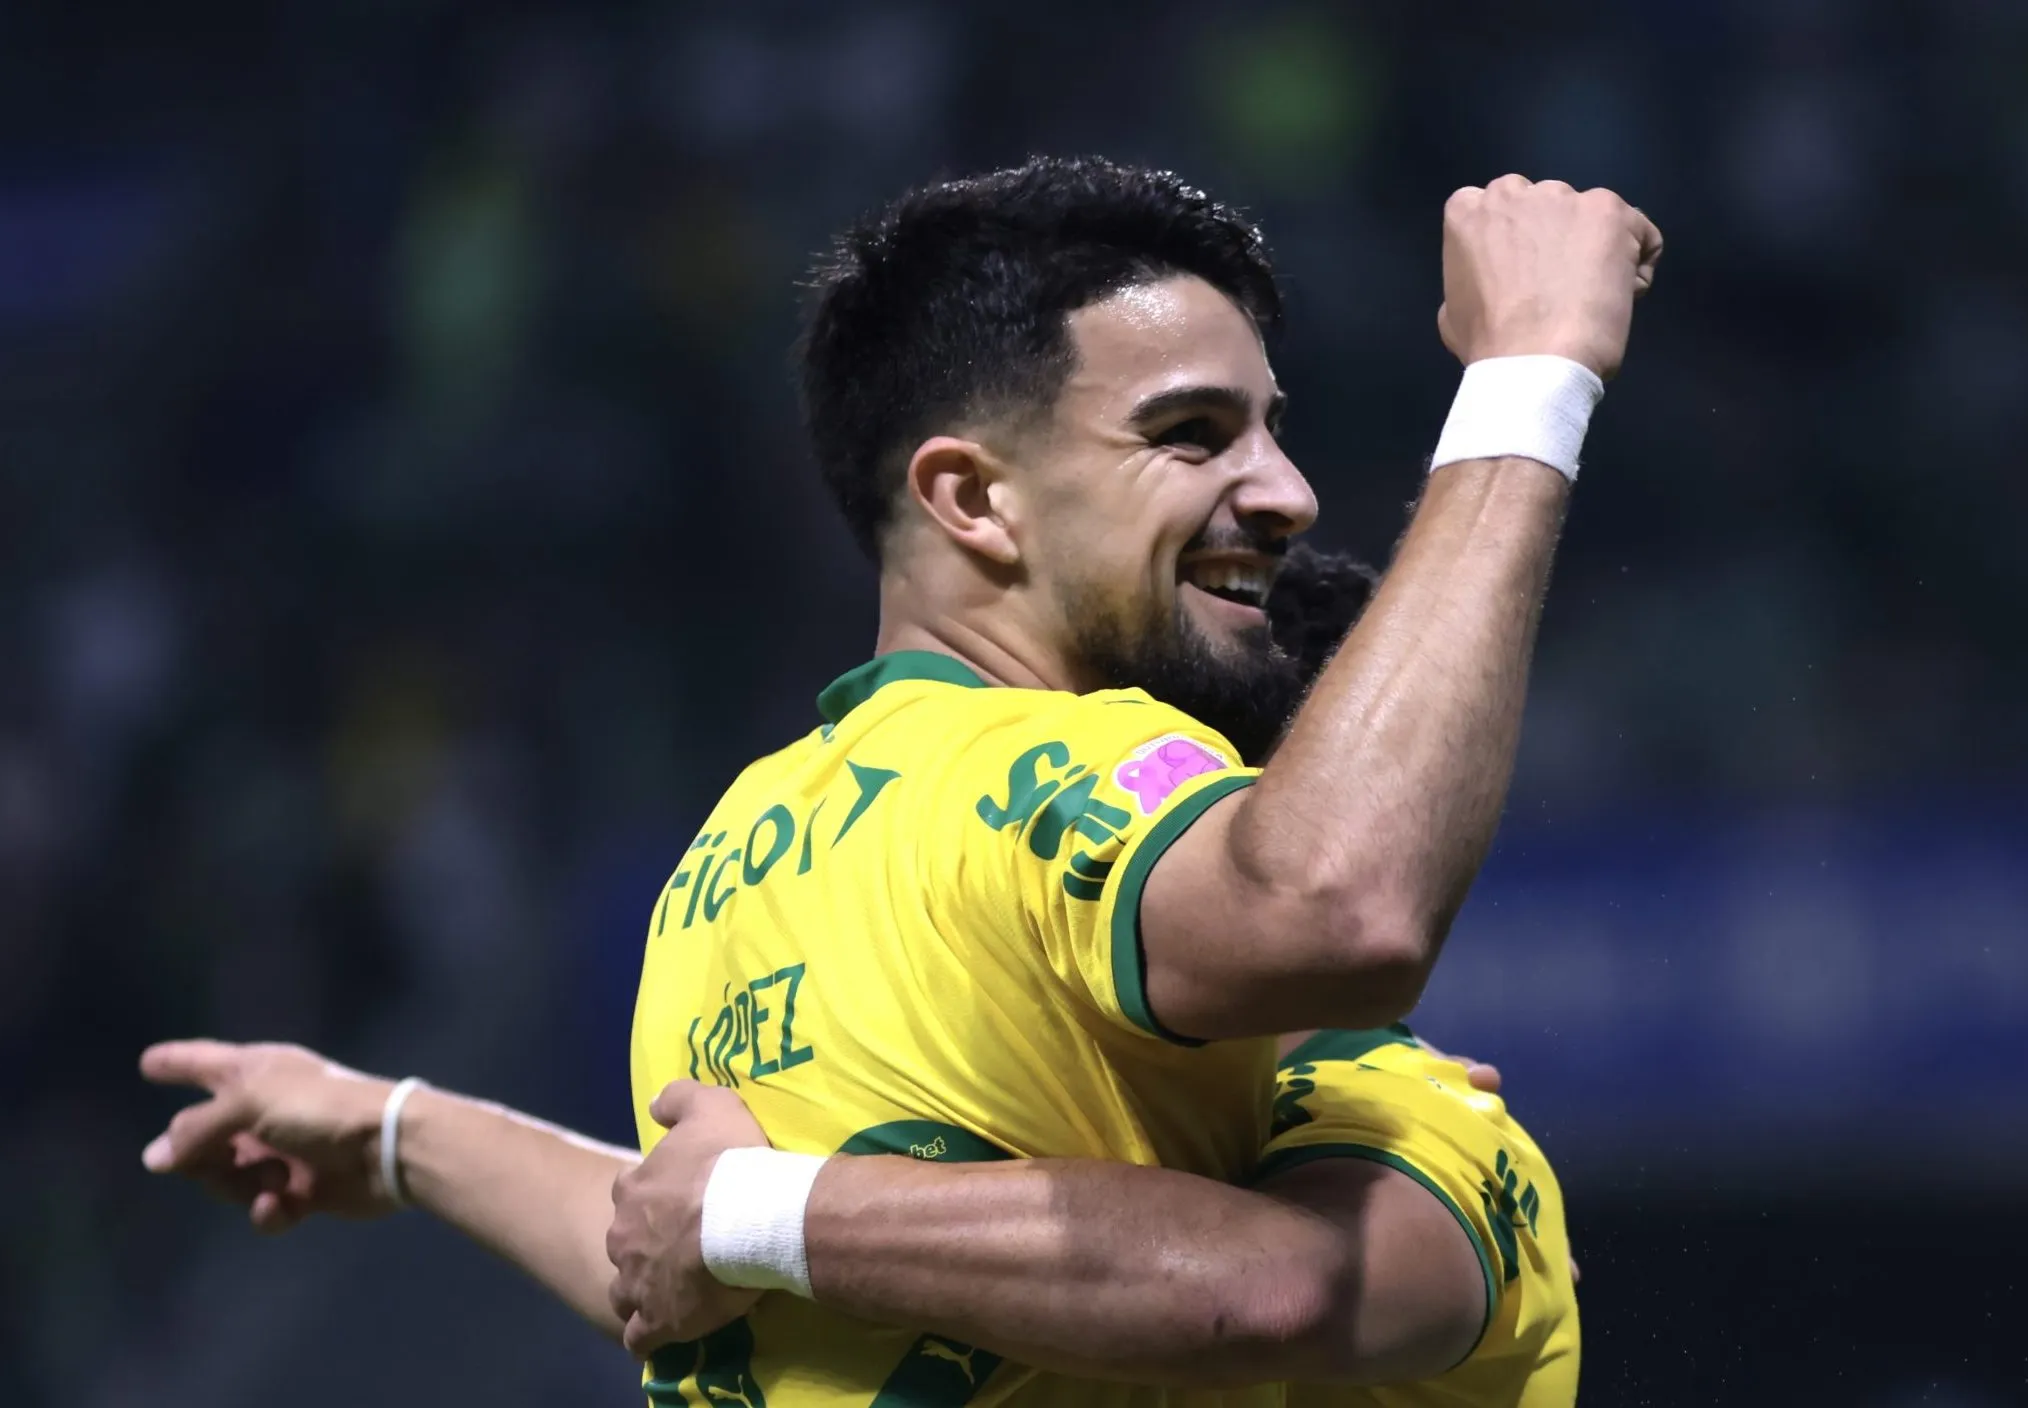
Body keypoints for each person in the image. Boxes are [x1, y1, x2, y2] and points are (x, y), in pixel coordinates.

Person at [144, 156, 1659, 1404]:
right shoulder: (1072, 796)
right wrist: (1529, 377)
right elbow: (1329, 918)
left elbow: (700, 1257)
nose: (1286, 490)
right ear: (970, 498)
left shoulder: (727, 867)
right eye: (1190, 433)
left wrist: (414, 1132)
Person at [141, 553, 1579, 1405]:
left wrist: (749, 1207)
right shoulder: (1081, 1128)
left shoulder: (1414, 1121)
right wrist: (394, 1129)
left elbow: (1265, 1289)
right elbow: (679, 1257)